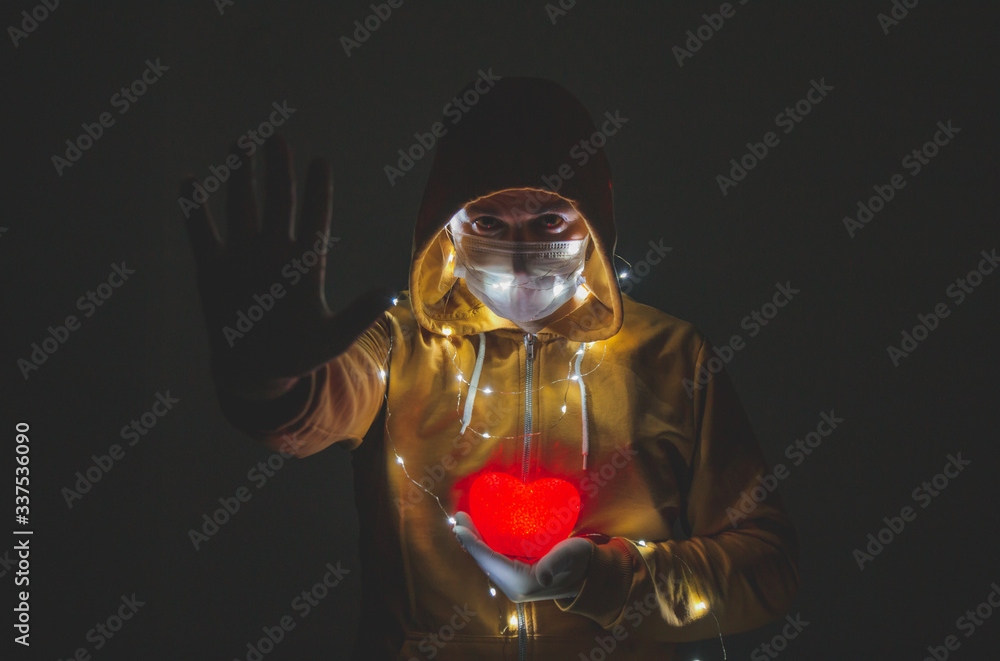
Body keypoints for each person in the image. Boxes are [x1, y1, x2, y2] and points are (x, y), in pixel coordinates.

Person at [182, 77, 799, 660]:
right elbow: (318, 405)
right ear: (445, 227)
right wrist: (271, 381)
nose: (523, 258)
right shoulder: (398, 346)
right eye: (488, 222)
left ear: (594, 222)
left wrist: (612, 580)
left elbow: (767, 570)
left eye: (550, 220)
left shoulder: (671, 357)